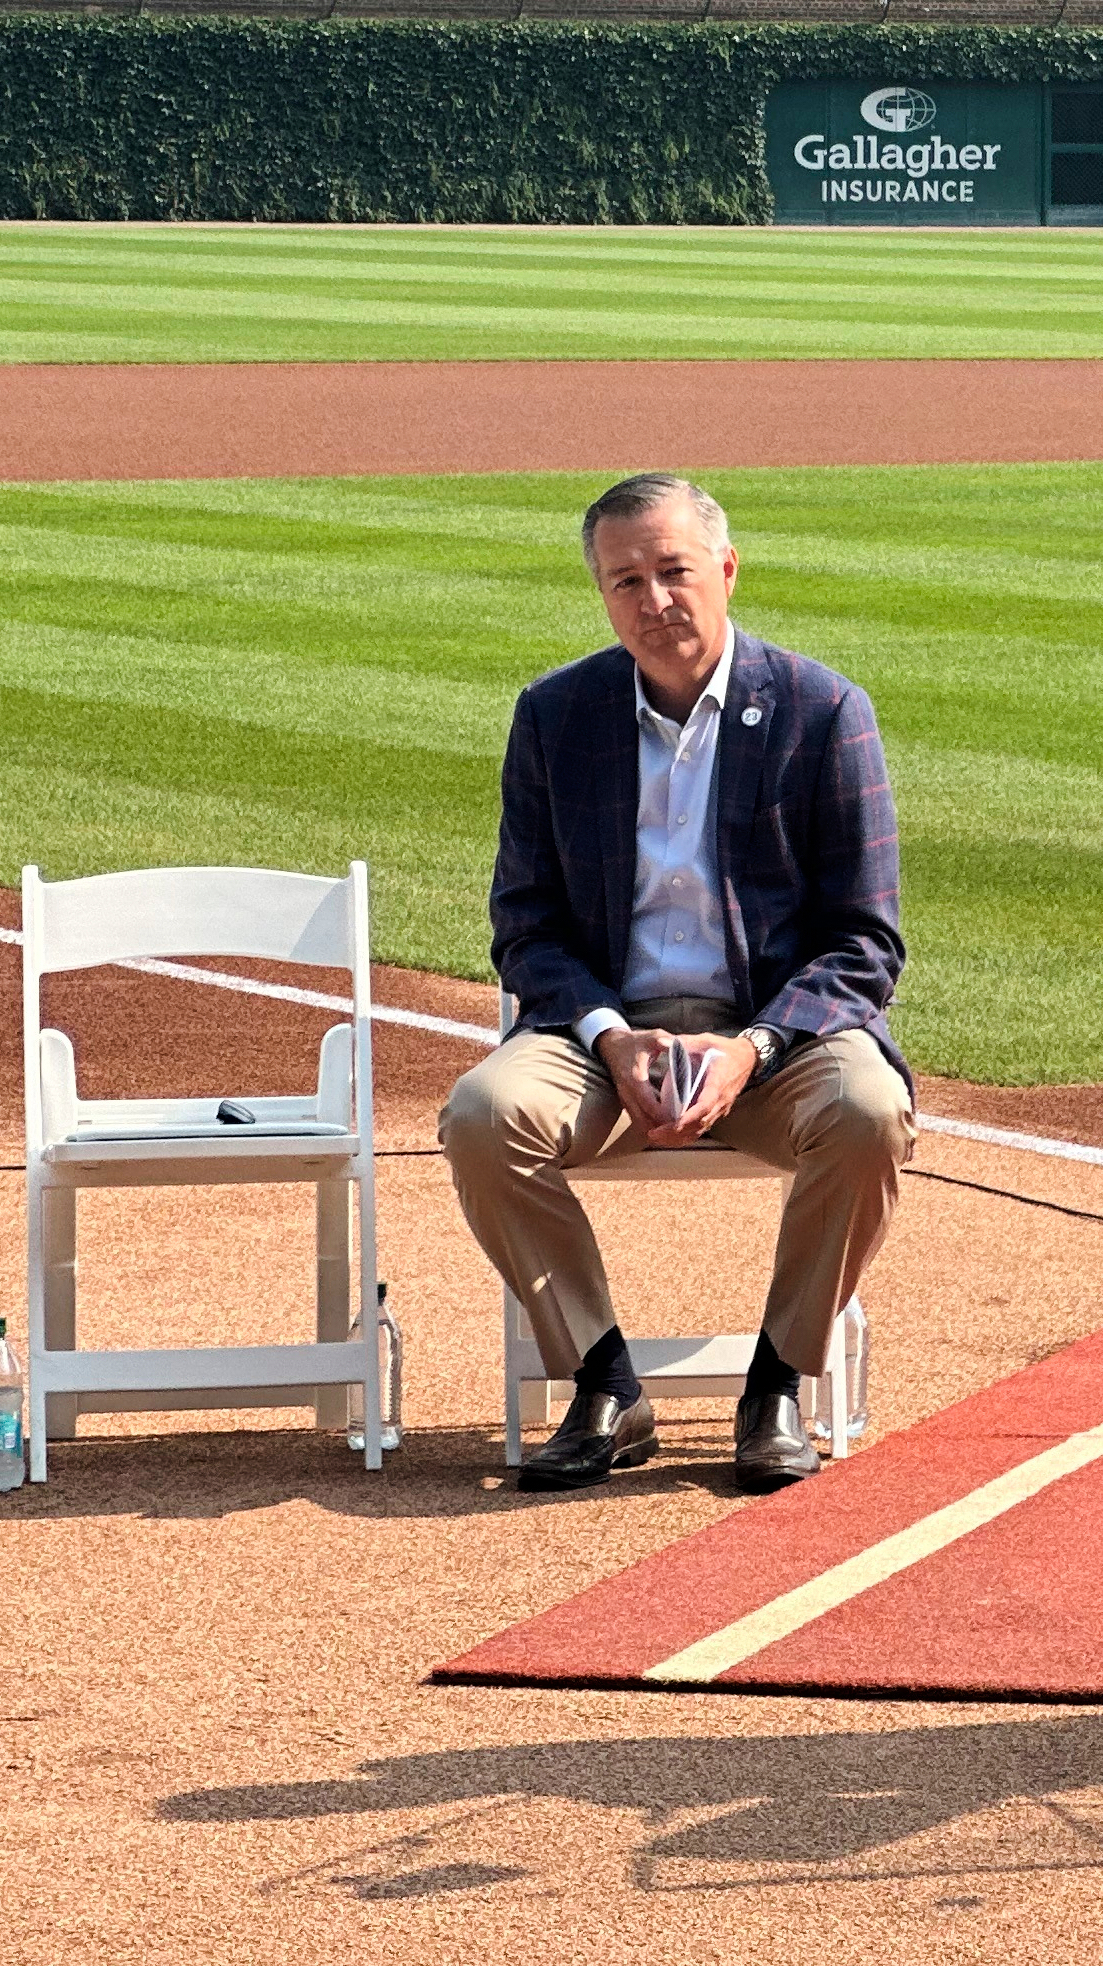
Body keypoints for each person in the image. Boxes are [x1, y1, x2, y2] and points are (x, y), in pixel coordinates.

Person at [440, 473, 911, 1495]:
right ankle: (605, 1380)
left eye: (673, 572)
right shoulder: (556, 716)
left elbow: (864, 943)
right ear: (601, 596)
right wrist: (613, 1037)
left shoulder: (823, 711)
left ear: (727, 572)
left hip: (772, 1042)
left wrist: (754, 1048)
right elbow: (526, 927)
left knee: (871, 1108)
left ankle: (777, 1382)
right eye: (625, 581)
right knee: (483, 1112)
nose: (654, 601)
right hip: (605, 1045)